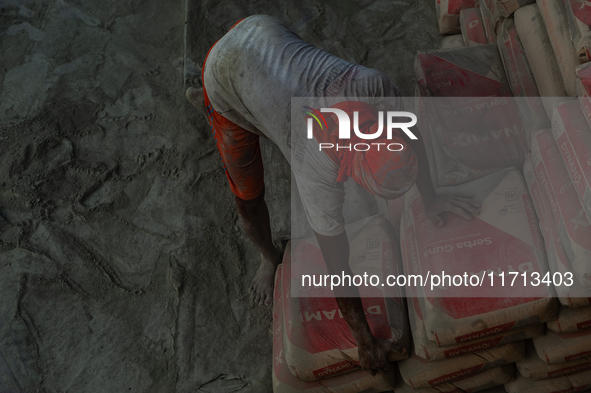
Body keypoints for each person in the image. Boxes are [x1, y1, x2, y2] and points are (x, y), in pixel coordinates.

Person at [186, 14, 480, 375]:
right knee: (247, 194)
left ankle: (247, 108)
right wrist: (365, 340)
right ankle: (266, 254)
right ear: (350, 171)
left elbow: (412, 132)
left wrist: (431, 196)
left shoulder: (374, 86)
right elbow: (338, 265)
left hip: (263, 30)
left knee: (272, 109)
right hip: (226, 75)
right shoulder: (315, 167)